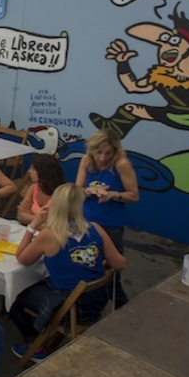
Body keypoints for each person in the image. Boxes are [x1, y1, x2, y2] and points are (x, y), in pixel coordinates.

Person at [11, 183, 127, 361]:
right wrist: (98, 262)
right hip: (96, 301)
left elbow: (22, 258)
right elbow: (120, 264)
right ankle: (42, 336)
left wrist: (33, 225)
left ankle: (34, 345)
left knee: (15, 300)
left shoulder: (50, 235)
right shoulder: (95, 228)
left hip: (71, 307)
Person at [75, 128, 139, 308]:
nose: (102, 158)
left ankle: (124, 311)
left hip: (110, 225)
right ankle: (89, 306)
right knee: (84, 265)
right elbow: (77, 191)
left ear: (115, 151)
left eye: (108, 153)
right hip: (86, 223)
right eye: (99, 152)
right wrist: (88, 190)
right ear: (92, 149)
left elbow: (134, 195)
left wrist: (113, 195)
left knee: (111, 275)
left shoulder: (121, 164)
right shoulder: (86, 161)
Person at [17, 154, 66, 225]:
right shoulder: (33, 188)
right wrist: (39, 219)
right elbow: (20, 216)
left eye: (33, 169)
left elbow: (52, 226)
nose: (29, 171)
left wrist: (29, 216)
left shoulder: (60, 195)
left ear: (43, 172)